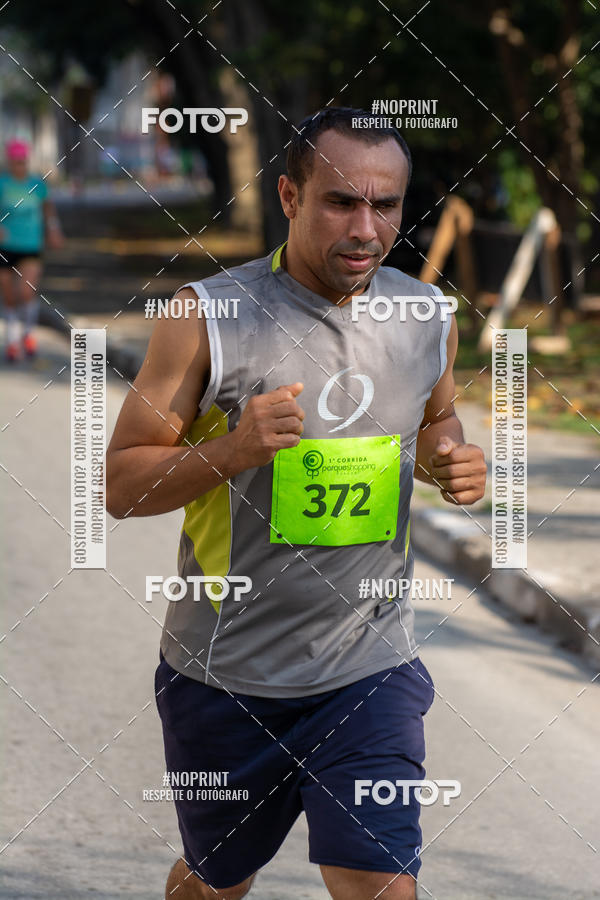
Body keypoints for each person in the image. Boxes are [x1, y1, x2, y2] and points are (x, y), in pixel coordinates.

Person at [106, 107, 486, 900]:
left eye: (385, 206)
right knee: (219, 882)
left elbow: (433, 420)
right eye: (340, 202)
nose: (365, 227)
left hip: (367, 667)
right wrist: (235, 448)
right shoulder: (206, 315)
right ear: (288, 195)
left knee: (380, 884)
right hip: (225, 675)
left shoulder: (425, 318)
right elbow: (120, 485)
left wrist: (447, 460)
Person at [0, 138, 63, 361]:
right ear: (10, 162)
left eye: (23, 161)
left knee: (26, 292)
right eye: (16, 162)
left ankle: (27, 334)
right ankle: (11, 340)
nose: (20, 165)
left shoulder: (37, 185)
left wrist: (53, 230)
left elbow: (47, 209)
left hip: (30, 245)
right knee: (9, 296)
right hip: (5, 248)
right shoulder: (2, 184)